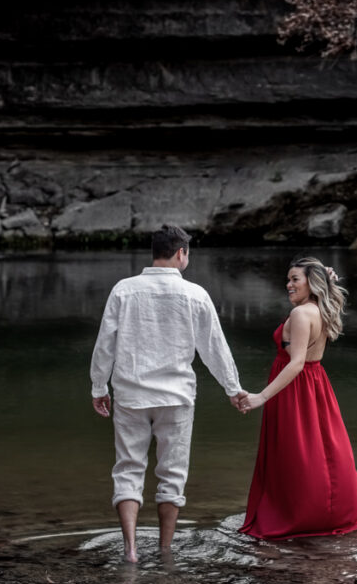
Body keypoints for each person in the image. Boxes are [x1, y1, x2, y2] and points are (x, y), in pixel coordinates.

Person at [90, 225, 246, 563]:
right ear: (181, 253)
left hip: (131, 394)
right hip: (176, 397)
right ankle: (164, 549)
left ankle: (130, 549)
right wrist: (233, 389)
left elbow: (106, 343)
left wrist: (99, 386)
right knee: (173, 474)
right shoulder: (195, 294)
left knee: (128, 468)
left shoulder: (124, 290)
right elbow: (214, 348)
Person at [237, 256, 357, 540]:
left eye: (295, 279)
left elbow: (296, 362)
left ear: (310, 283)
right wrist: (325, 277)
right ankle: (325, 509)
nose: (288, 284)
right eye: (288, 279)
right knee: (320, 451)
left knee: (298, 454)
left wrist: (261, 397)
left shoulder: (302, 314)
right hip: (313, 386)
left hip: (295, 389)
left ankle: (303, 515)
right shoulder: (317, 308)